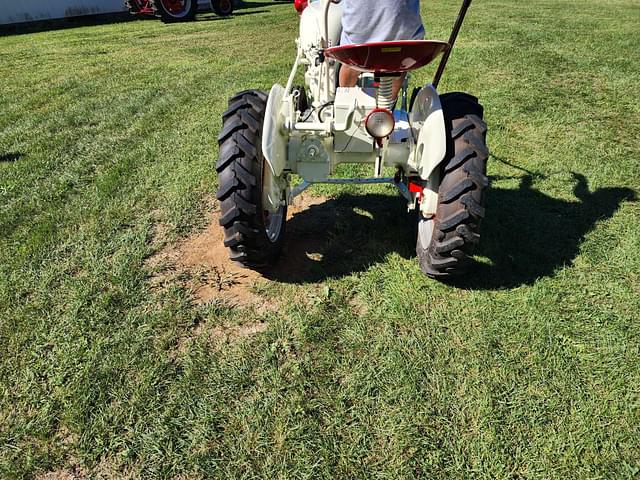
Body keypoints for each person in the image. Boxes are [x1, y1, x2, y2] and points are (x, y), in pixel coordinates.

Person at [339, 0, 425, 100]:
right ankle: (389, 105)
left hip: (359, 46)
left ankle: (345, 101)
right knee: (400, 61)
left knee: (350, 65)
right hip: (406, 43)